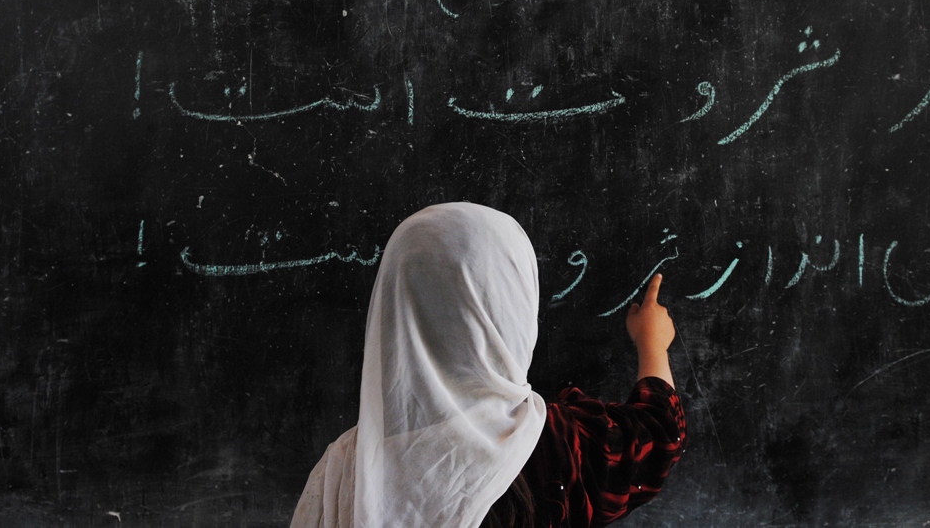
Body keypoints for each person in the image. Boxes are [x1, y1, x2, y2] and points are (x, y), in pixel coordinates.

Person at [290, 203, 685, 528]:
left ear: (395, 301)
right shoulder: (556, 447)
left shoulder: (345, 471)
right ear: (512, 303)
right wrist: (653, 344)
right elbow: (657, 436)